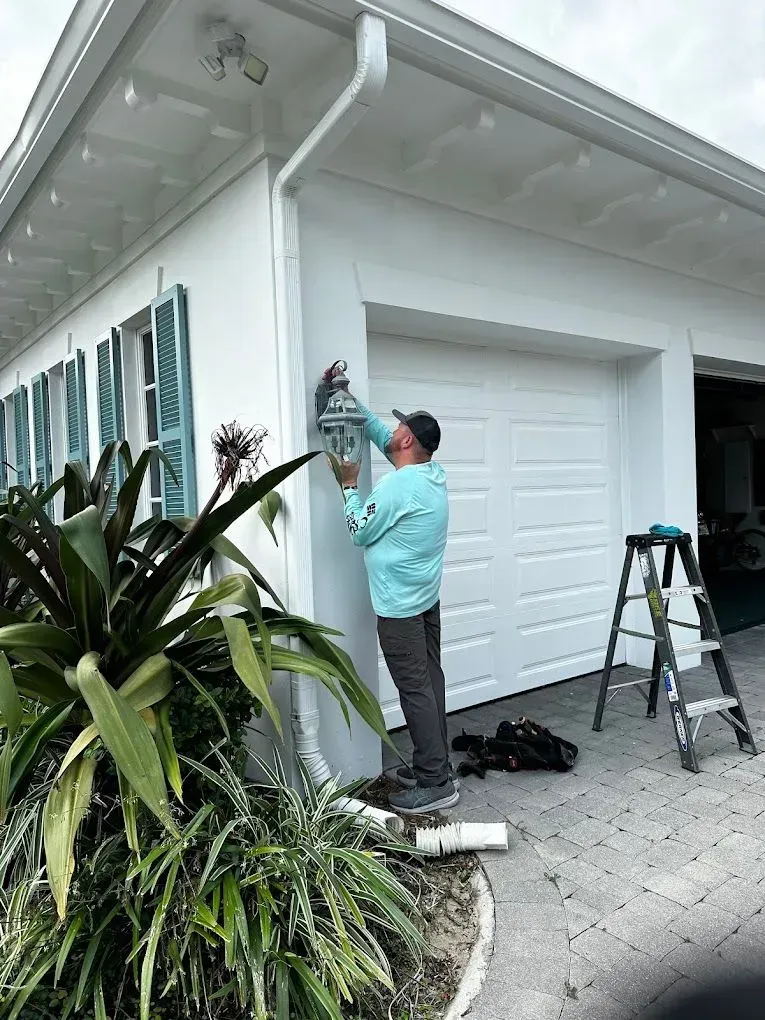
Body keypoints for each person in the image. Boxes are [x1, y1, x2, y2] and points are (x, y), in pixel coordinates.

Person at [325, 365, 457, 815]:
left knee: (415, 689)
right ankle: (432, 764)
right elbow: (382, 436)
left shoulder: (398, 486)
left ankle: (436, 782)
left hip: (400, 609)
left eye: (400, 426)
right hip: (424, 599)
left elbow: (360, 531)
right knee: (430, 681)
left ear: (407, 442)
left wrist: (347, 486)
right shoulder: (430, 473)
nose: (394, 428)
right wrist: (344, 397)